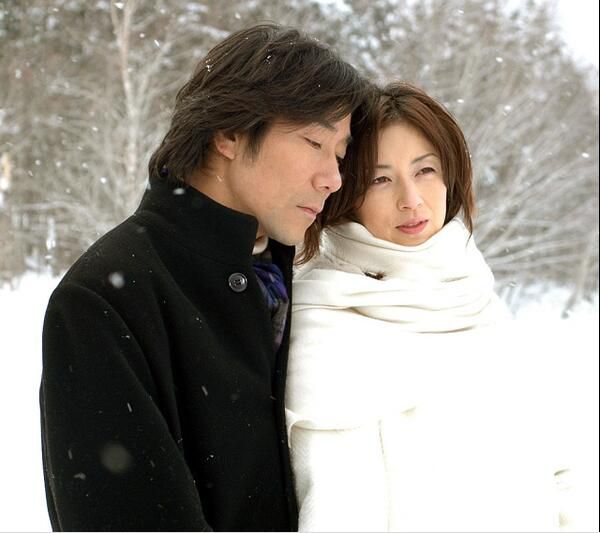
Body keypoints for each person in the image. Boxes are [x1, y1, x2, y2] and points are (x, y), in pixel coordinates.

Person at [40, 23, 375, 531]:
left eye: (340, 155)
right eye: (313, 142)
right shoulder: (106, 298)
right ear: (229, 133)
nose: (332, 178)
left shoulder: (304, 285)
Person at [286, 82, 572, 531]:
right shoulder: (324, 327)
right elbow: (337, 506)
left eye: (425, 170)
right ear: (347, 192)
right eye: (380, 179)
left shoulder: (478, 302)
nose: (411, 199)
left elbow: (554, 468)